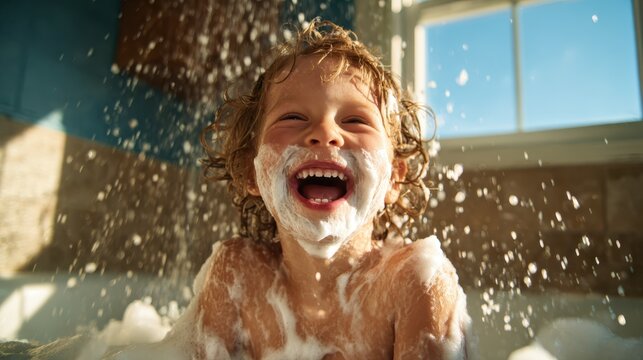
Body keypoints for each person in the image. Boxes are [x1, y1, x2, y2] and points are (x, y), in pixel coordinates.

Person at [170, 19, 473, 360]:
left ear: (393, 178)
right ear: (250, 172)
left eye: (355, 120)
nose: (326, 132)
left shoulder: (416, 281)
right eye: (293, 118)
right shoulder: (237, 273)